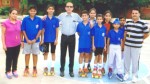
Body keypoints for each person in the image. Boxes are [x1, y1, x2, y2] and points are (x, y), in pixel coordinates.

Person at [123, 8, 149, 83]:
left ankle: (134, 75)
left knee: (135, 61)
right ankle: (126, 73)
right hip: (127, 45)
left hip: (136, 46)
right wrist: (124, 43)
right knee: (126, 61)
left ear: (139, 14)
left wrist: (141, 39)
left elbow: (147, 34)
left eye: (136, 13)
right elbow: (125, 33)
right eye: (133, 13)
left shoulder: (143, 23)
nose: (134, 14)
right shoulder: (128, 22)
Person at [57, 2, 82, 77]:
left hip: (72, 37)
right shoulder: (61, 15)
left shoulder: (76, 16)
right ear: (65, 8)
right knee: (63, 54)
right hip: (64, 37)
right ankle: (62, 70)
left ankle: (71, 70)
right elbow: (54, 20)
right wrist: (45, 16)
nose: (69, 8)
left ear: (73, 8)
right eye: (67, 6)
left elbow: (83, 21)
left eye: (71, 7)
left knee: (72, 55)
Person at [21, 5, 43, 77]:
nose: (32, 12)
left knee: (35, 54)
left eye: (34, 11)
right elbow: (23, 30)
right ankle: (26, 67)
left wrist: (35, 39)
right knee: (27, 54)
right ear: (29, 11)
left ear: (36, 11)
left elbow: (40, 30)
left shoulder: (39, 19)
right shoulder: (25, 19)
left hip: (36, 41)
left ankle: (34, 68)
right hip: (26, 40)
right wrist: (26, 39)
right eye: (31, 11)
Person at [1, 8, 22, 79]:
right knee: (9, 58)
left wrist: (21, 41)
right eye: (13, 13)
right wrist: (4, 44)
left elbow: (21, 32)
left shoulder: (19, 22)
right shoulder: (5, 23)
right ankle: (8, 71)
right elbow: (3, 34)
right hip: (9, 44)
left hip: (17, 43)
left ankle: (14, 70)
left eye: (16, 14)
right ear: (9, 14)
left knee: (15, 57)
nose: (15, 15)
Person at [41, 4, 59, 76]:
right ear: (47, 10)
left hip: (53, 39)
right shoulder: (44, 19)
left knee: (53, 53)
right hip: (45, 39)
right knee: (46, 53)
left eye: (52, 9)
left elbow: (57, 30)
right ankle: (45, 67)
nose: (50, 10)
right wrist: (42, 39)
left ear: (53, 10)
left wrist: (56, 39)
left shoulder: (56, 19)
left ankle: (52, 67)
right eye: (49, 9)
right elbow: (42, 29)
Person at [77, 10, 91, 76]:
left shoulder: (91, 25)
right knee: (81, 55)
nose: (84, 17)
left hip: (88, 43)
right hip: (81, 42)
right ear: (81, 17)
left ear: (88, 16)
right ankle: (80, 68)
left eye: (85, 15)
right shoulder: (79, 24)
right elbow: (78, 33)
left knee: (87, 55)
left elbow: (92, 34)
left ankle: (85, 68)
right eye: (83, 16)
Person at [102, 10, 113, 75]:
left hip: (109, 41)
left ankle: (106, 67)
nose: (108, 17)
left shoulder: (112, 25)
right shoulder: (101, 23)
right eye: (106, 16)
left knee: (106, 54)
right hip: (101, 41)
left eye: (109, 16)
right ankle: (100, 67)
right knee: (100, 54)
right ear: (104, 16)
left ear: (111, 17)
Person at [87, 8, 97, 72]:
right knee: (88, 52)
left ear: (95, 14)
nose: (92, 14)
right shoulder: (86, 20)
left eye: (94, 13)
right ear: (89, 14)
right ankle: (87, 64)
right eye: (91, 13)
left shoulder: (98, 21)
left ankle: (96, 66)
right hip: (88, 38)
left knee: (95, 53)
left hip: (95, 38)